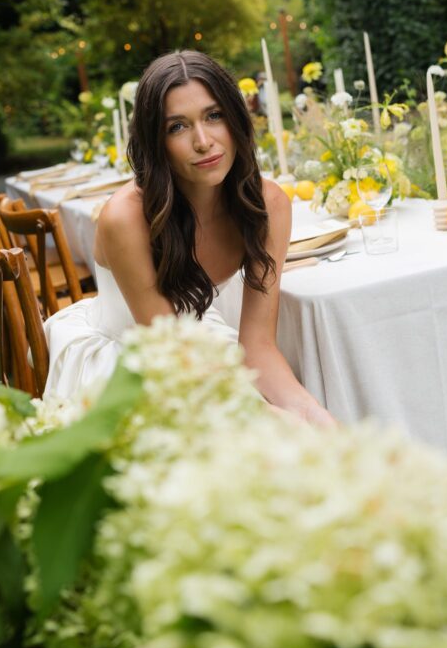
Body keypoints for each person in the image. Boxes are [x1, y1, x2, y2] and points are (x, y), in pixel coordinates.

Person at [43, 50, 335, 426]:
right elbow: (175, 361)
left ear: (236, 119)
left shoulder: (269, 204)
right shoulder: (125, 219)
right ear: (155, 142)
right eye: (177, 127)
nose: (203, 141)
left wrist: (315, 416)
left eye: (214, 116)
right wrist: (281, 424)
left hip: (197, 346)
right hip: (136, 362)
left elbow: (258, 346)